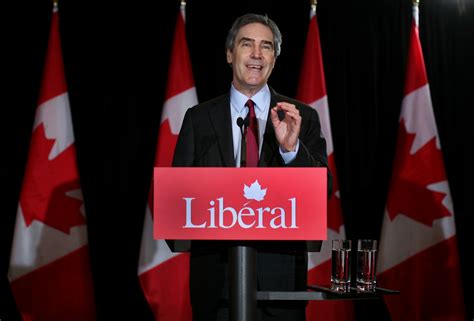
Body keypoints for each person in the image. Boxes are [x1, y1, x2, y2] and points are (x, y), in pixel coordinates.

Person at [172, 13, 331, 321]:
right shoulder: (198, 118)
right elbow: (177, 202)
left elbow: (322, 190)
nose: (257, 54)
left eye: (267, 47)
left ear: (275, 57)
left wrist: (291, 150)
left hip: (281, 290)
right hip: (216, 290)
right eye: (247, 44)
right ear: (230, 54)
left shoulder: (301, 117)